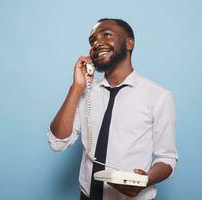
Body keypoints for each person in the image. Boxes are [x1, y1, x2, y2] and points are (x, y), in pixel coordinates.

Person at [47, 18, 178, 200]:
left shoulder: (159, 96)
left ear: (129, 43)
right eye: (92, 41)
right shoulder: (85, 93)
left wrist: (146, 180)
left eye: (106, 34)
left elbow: (168, 158)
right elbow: (57, 142)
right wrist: (76, 87)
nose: (97, 43)